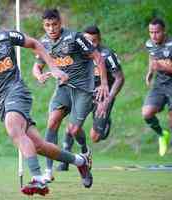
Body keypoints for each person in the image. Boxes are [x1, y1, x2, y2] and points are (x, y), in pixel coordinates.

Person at [0, 11, 93, 196]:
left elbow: (35, 44)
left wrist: (53, 67)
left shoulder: (5, 36)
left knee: (13, 127)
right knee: (39, 146)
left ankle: (38, 179)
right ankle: (80, 161)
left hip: (16, 91)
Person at [32, 9, 109, 182]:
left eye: (54, 24)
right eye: (47, 25)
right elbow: (37, 66)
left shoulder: (74, 38)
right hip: (63, 88)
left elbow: (98, 57)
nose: (51, 28)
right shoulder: (43, 42)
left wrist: (103, 83)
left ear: (60, 23)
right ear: (43, 26)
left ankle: (84, 151)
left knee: (74, 130)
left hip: (83, 89)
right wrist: (39, 75)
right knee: (52, 123)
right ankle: (48, 171)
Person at [57, 25, 125, 171]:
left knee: (95, 137)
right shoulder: (77, 53)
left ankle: (105, 122)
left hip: (103, 96)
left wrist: (107, 99)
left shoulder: (107, 55)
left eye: (94, 41)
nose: (90, 44)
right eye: (87, 40)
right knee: (71, 127)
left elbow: (119, 78)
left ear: (99, 40)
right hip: (85, 93)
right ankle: (65, 161)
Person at [142, 18, 172, 167]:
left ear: (164, 31)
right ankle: (162, 135)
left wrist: (162, 68)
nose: (154, 35)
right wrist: (150, 72)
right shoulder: (149, 44)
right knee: (147, 113)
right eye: (151, 32)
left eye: (157, 32)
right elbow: (152, 56)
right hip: (160, 85)